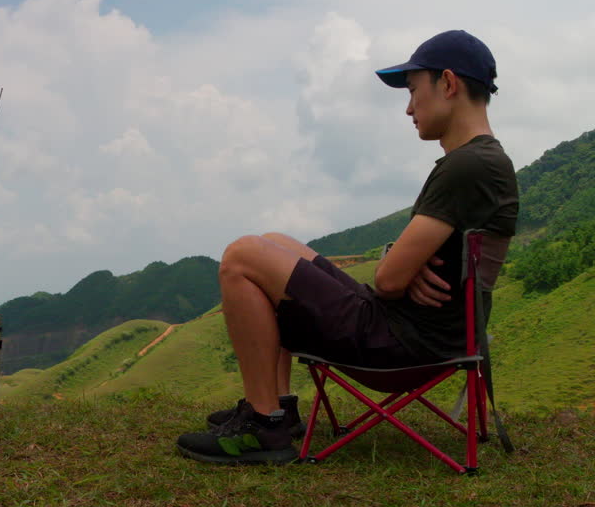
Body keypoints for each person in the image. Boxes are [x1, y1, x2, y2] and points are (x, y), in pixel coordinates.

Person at [177, 29, 519, 465]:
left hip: (400, 343)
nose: (409, 107)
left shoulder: (468, 165)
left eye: (414, 91)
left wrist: (400, 271)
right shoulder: (485, 161)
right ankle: (277, 404)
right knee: (276, 244)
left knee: (242, 257)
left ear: (448, 84)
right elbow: (410, 266)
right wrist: (404, 266)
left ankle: (264, 425)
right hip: (431, 333)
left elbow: (390, 279)